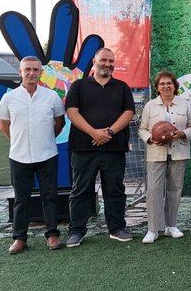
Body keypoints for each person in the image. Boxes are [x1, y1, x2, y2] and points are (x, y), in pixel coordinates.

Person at [65, 48, 135, 247]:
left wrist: (109, 132)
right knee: (81, 190)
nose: (107, 64)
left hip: (114, 148)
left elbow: (129, 112)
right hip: (83, 147)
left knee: (115, 189)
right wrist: (94, 133)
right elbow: (71, 111)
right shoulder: (78, 85)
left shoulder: (122, 87)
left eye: (111, 61)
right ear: (94, 61)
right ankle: (76, 231)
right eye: (103, 60)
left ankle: (117, 228)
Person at [0, 56, 65, 254]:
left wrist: (46, 139)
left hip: (47, 154)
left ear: (41, 73)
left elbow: (59, 122)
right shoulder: (9, 98)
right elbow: (3, 125)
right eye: (27, 69)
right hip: (19, 156)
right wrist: (18, 140)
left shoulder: (51, 96)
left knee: (49, 196)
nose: (31, 73)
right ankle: (19, 238)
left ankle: (52, 234)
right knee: (21, 199)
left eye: (35, 69)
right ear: (20, 72)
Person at [138, 71, 191, 243]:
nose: (166, 86)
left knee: (175, 190)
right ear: (157, 87)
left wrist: (183, 133)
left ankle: (171, 226)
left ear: (175, 86)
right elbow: (142, 129)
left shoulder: (184, 105)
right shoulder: (150, 106)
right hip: (156, 153)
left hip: (179, 152)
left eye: (169, 83)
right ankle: (153, 229)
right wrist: (150, 138)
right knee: (154, 190)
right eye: (162, 84)